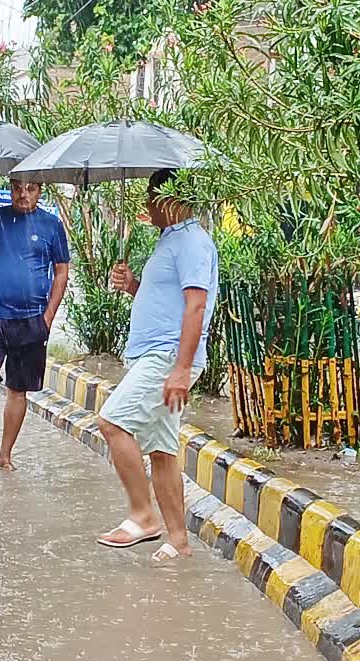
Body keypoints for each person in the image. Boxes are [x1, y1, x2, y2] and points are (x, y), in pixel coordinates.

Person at [96, 169, 219, 563]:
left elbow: (196, 305)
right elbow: (166, 300)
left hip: (167, 358)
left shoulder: (192, 242)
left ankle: (143, 514)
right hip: (160, 355)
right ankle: (179, 540)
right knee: (162, 450)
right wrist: (132, 285)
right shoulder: (171, 241)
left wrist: (182, 368)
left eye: (151, 197)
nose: (148, 206)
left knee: (112, 422)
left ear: (168, 197)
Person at [0, 179, 70, 470]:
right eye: (18, 187)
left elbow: (61, 272)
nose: (24, 194)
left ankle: (6, 452)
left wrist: (48, 317)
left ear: (40, 191)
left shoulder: (51, 225)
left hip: (31, 318)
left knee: (17, 388)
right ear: (10, 189)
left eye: (32, 188)